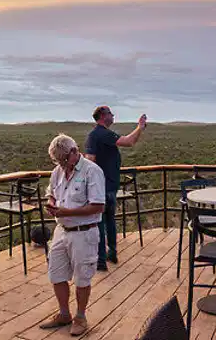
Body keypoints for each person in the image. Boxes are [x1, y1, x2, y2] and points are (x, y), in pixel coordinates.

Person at [38, 134, 107, 336]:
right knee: (56, 274)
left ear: (74, 151)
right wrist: (51, 204)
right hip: (61, 231)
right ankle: (64, 314)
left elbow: (98, 206)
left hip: (83, 233)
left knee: (82, 278)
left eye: (64, 160)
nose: (61, 165)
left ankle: (80, 317)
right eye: (57, 161)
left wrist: (67, 212)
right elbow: (51, 193)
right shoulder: (57, 171)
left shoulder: (92, 171)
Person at [84, 105, 147, 271]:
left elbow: (89, 160)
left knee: (104, 221)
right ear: (103, 116)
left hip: (105, 187)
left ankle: (107, 256)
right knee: (104, 221)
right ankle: (104, 258)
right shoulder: (102, 133)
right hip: (104, 187)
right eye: (110, 113)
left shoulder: (94, 135)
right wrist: (140, 127)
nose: (113, 116)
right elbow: (129, 141)